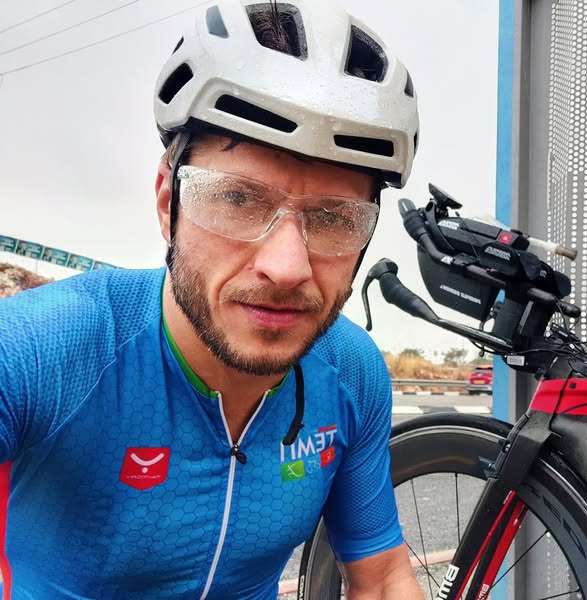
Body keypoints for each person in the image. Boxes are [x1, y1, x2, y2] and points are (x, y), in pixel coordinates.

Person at [0, 0, 423, 598]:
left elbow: (381, 580)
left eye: (334, 217)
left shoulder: (352, 372)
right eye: (238, 198)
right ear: (166, 201)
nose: (287, 267)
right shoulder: (42, 348)